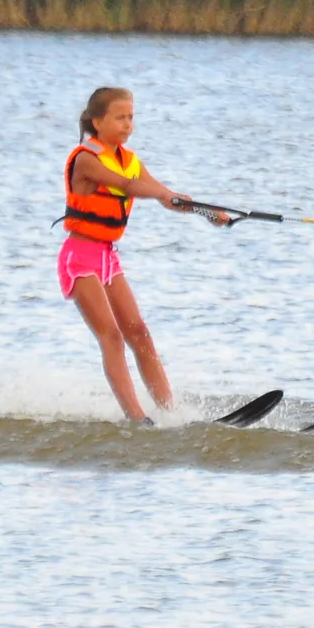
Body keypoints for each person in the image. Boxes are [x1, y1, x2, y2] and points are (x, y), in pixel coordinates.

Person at [59, 86, 230, 422]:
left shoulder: (130, 161)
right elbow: (129, 186)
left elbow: (166, 196)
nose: (128, 124)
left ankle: (171, 413)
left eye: (131, 117)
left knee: (139, 333)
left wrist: (207, 212)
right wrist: (163, 194)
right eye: (119, 118)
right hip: (78, 258)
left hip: (108, 258)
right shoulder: (86, 159)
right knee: (111, 336)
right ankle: (137, 418)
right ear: (97, 122)